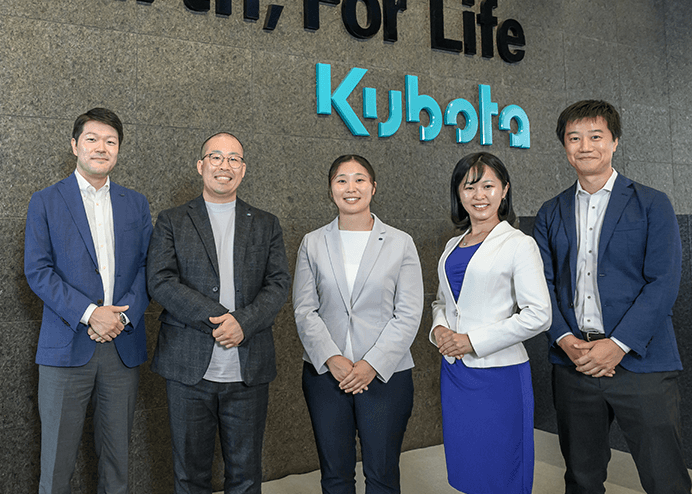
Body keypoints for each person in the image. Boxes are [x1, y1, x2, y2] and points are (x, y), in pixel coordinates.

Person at [533, 100, 691, 494]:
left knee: (665, 480)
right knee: (581, 478)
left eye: (595, 136)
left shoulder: (651, 203)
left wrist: (618, 345)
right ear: (565, 147)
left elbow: (664, 282)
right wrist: (565, 340)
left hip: (642, 362)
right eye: (574, 138)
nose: (585, 146)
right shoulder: (550, 212)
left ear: (614, 142)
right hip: (575, 364)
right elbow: (542, 286)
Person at [147, 132, 290, 494]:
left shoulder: (266, 223)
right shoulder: (172, 220)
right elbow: (160, 281)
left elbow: (278, 284)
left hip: (248, 370)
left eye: (233, 159)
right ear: (200, 165)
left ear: (243, 170)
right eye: (216, 157)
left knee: (245, 475)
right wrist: (220, 318)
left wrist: (243, 322)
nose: (224, 165)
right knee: (189, 475)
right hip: (187, 368)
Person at [23, 107, 153, 494]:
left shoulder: (136, 203)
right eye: (92, 139)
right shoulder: (45, 201)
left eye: (110, 141)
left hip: (121, 347)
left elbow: (149, 268)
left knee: (117, 463)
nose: (101, 147)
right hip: (66, 347)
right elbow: (38, 270)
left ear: (119, 150)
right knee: (56, 465)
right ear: (74, 145)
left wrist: (121, 318)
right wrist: (91, 313)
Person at [293, 154, 423, 494]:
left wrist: (371, 364)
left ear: (373, 187)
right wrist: (331, 358)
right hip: (326, 376)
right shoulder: (313, 242)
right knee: (335, 475)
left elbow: (409, 313)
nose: (351, 187)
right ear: (330, 189)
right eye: (342, 180)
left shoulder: (400, 242)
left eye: (359, 179)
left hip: (385, 376)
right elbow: (304, 309)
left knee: (382, 474)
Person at [430, 152, 552, 494]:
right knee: (468, 467)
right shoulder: (452, 245)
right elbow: (443, 301)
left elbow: (539, 314)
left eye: (488, 186)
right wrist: (439, 329)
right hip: (455, 373)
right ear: (458, 193)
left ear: (505, 190)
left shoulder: (519, 244)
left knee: (502, 471)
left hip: (499, 376)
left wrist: (472, 341)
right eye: (469, 187)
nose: (479, 195)